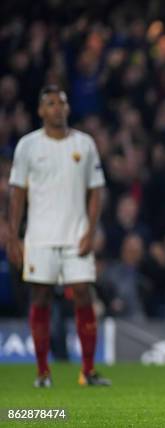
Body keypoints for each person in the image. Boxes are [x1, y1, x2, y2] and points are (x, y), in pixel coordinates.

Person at [7, 85, 111, 387]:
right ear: (41, 111)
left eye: (61, 103)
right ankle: (42, 372)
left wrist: (91, 231)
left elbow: (96, 191)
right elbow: (17, 193)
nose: (57, 108)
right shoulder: (28, 146)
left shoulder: (84, 143)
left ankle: (88, 371)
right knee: (39, 296)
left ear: (67, 108)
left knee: (82, 292)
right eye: (50, 103)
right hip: (39, 235)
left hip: (76, 234)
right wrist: (13, 236)